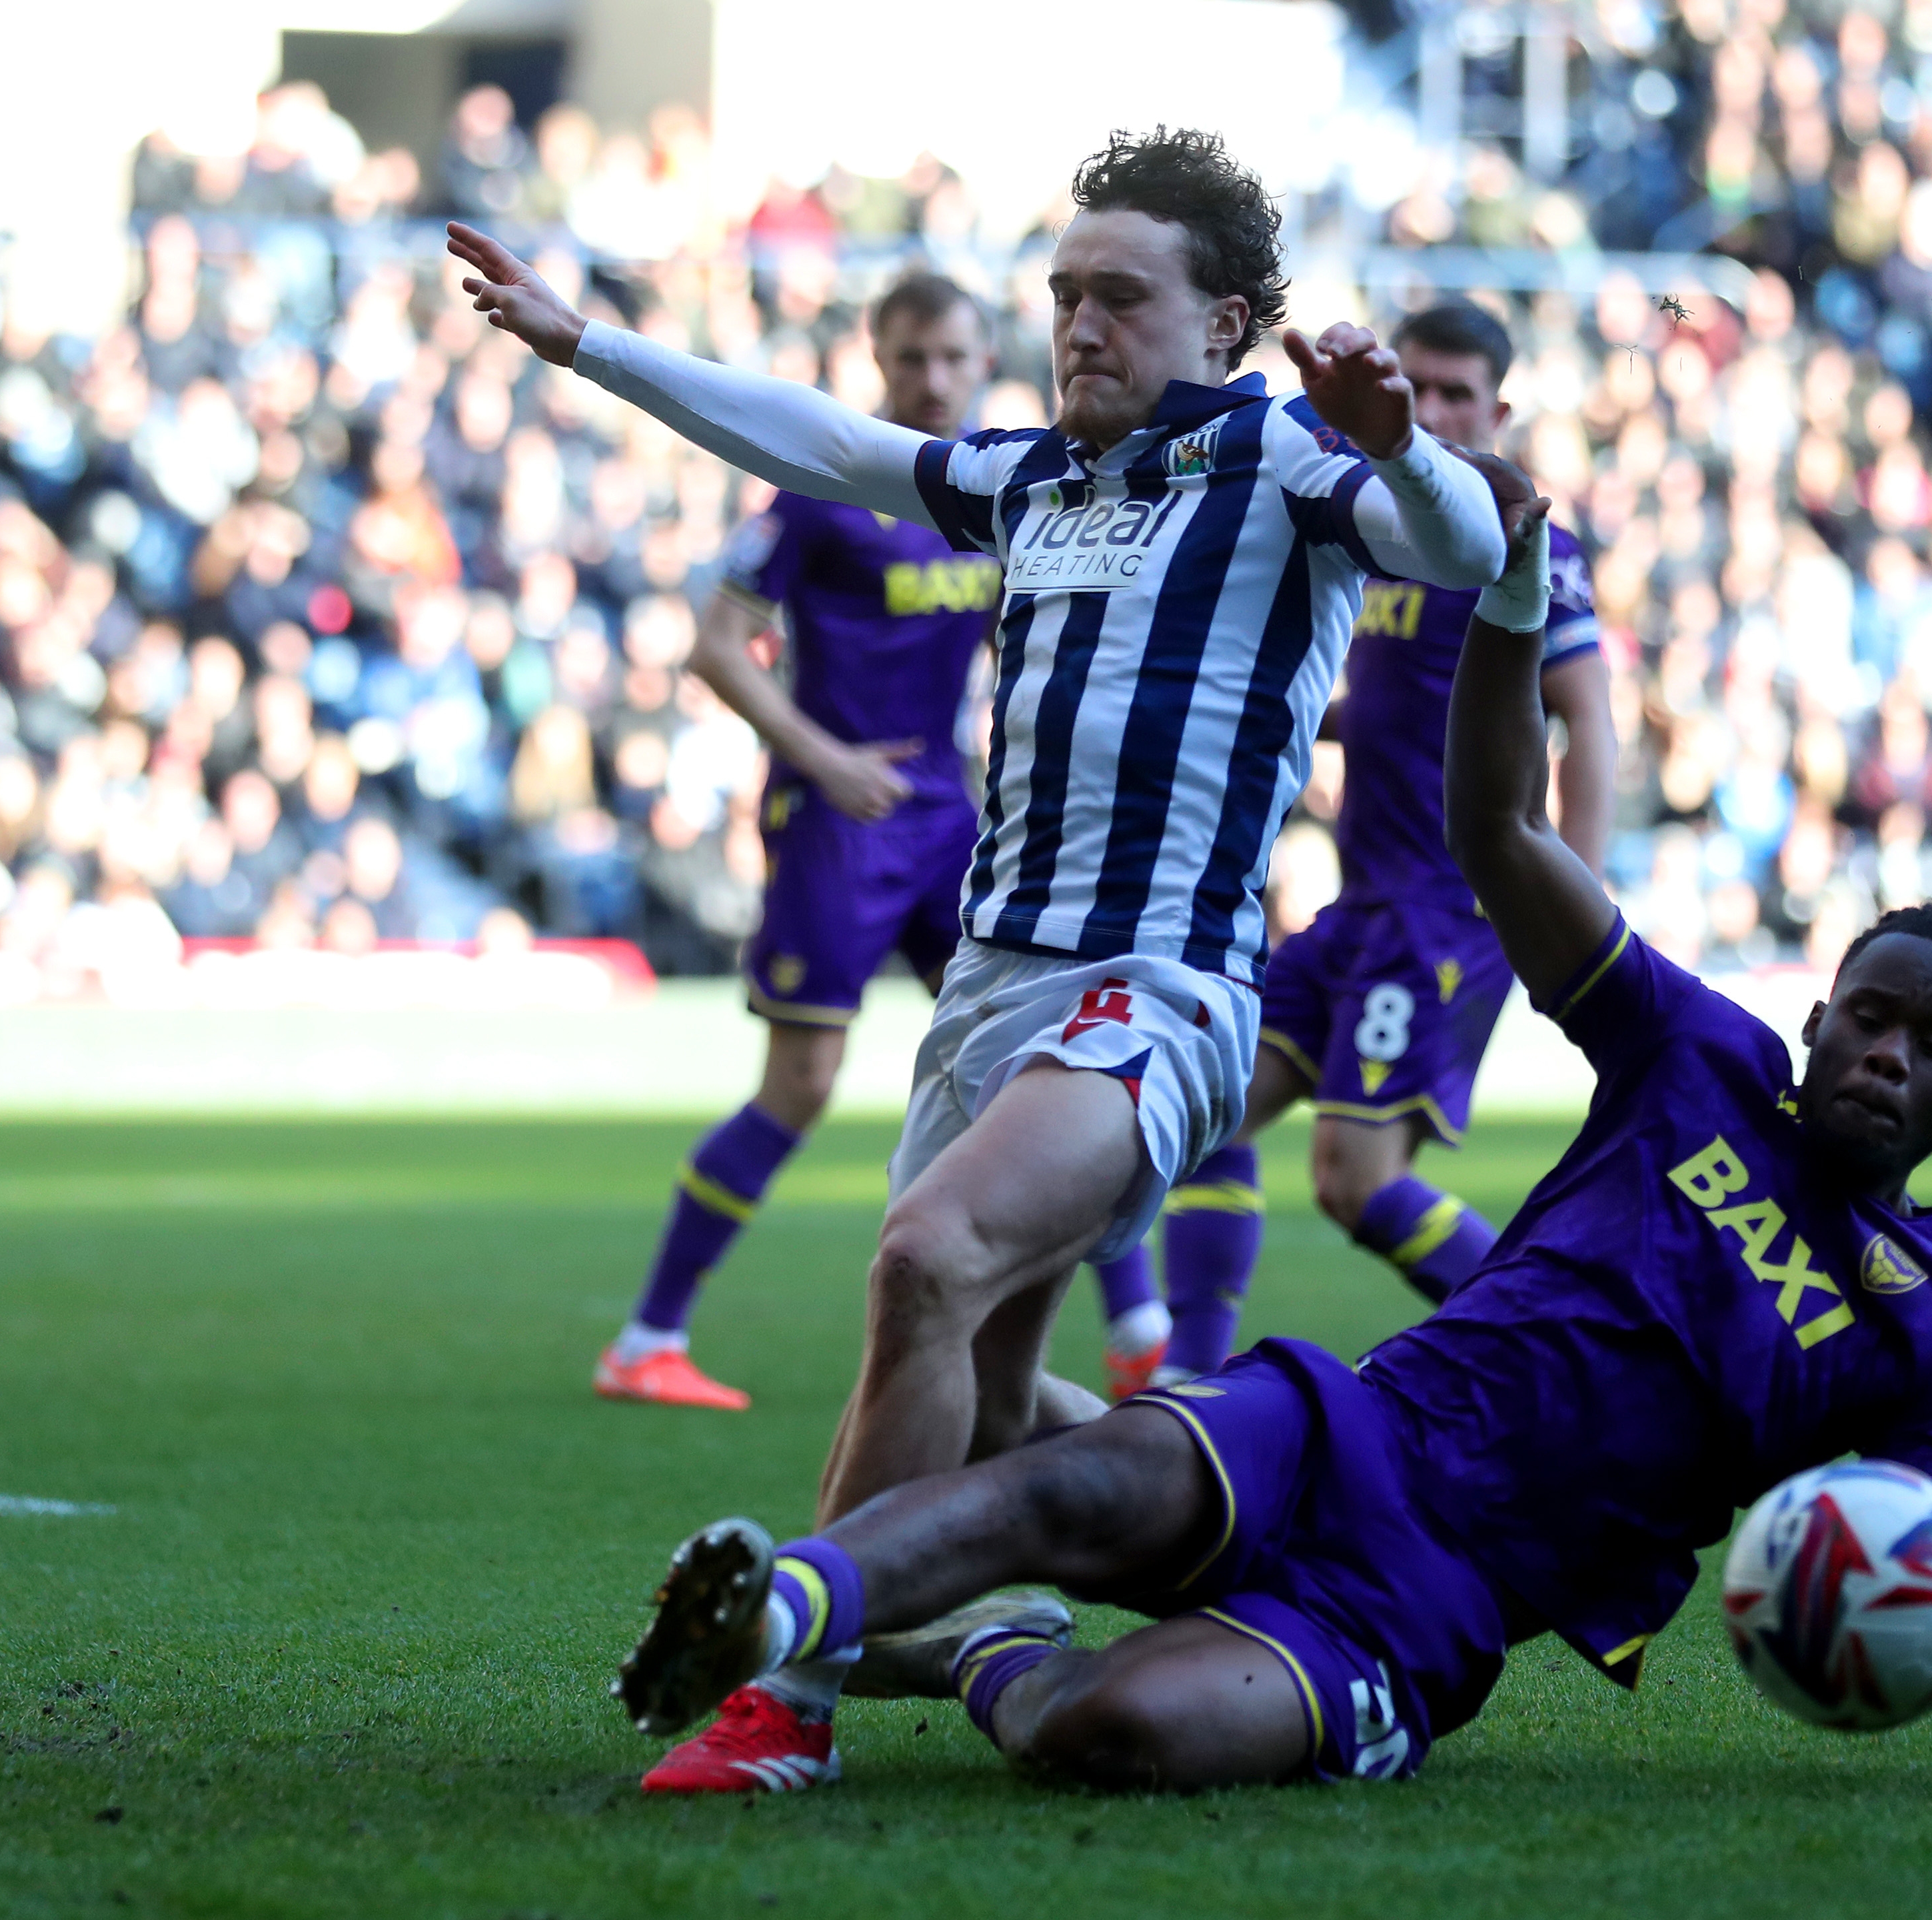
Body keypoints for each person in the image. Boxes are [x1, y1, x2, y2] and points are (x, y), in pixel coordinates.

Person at [603, 474, 1932, 1789]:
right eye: (1868, 1014)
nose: (1888, 1053)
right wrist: (1511, 603)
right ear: (1817, 1016)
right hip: (1354, 1427)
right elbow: (1495, 826)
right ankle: (781, 1610)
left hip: (1441, 1600)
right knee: (1084, 1484)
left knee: (1113, 1734)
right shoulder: (1693, 1054)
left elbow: (1873, 1583)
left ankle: (979, 1644)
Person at [447, 125, 1504, 1793]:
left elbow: (1464, 551)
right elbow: (821, 441)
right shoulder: (1026, 476)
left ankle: (779, 1696)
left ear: (1226, 321)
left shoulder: (1285, 461)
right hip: (989, 993)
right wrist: (589, 344)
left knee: (928, 1257)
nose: (1079, 326)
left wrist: (1405, 453)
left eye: (1121, 299)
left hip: (1160, 985)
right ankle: (1295, 1562)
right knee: (989, 1408)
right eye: (1065, 295)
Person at [592, 275, 1168, 1413]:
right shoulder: (821, 493)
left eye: (954, 358)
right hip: (835, 824)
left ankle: (1142, 1331)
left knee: (1045, 1060)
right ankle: (646, 1336)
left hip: (950, 822)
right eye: (912, 359)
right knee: (800, 1086)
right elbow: (714, 648)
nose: (934, 380)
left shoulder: (997, 489)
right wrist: (825, 759)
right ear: (879, 360)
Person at [1152, 299, 1616, 1385]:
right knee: (1197, 1113)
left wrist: (1578, 903)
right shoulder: (1366, 523)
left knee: (1353, 1179)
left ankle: (1563, 1355)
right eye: (1423, 387)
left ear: (1498, 410)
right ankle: (1185, 1388)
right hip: (1363, 905)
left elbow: (1586, 716)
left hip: (1453, 907)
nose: (1442, 410)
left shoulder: (1515, 531)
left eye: (1462, 394)